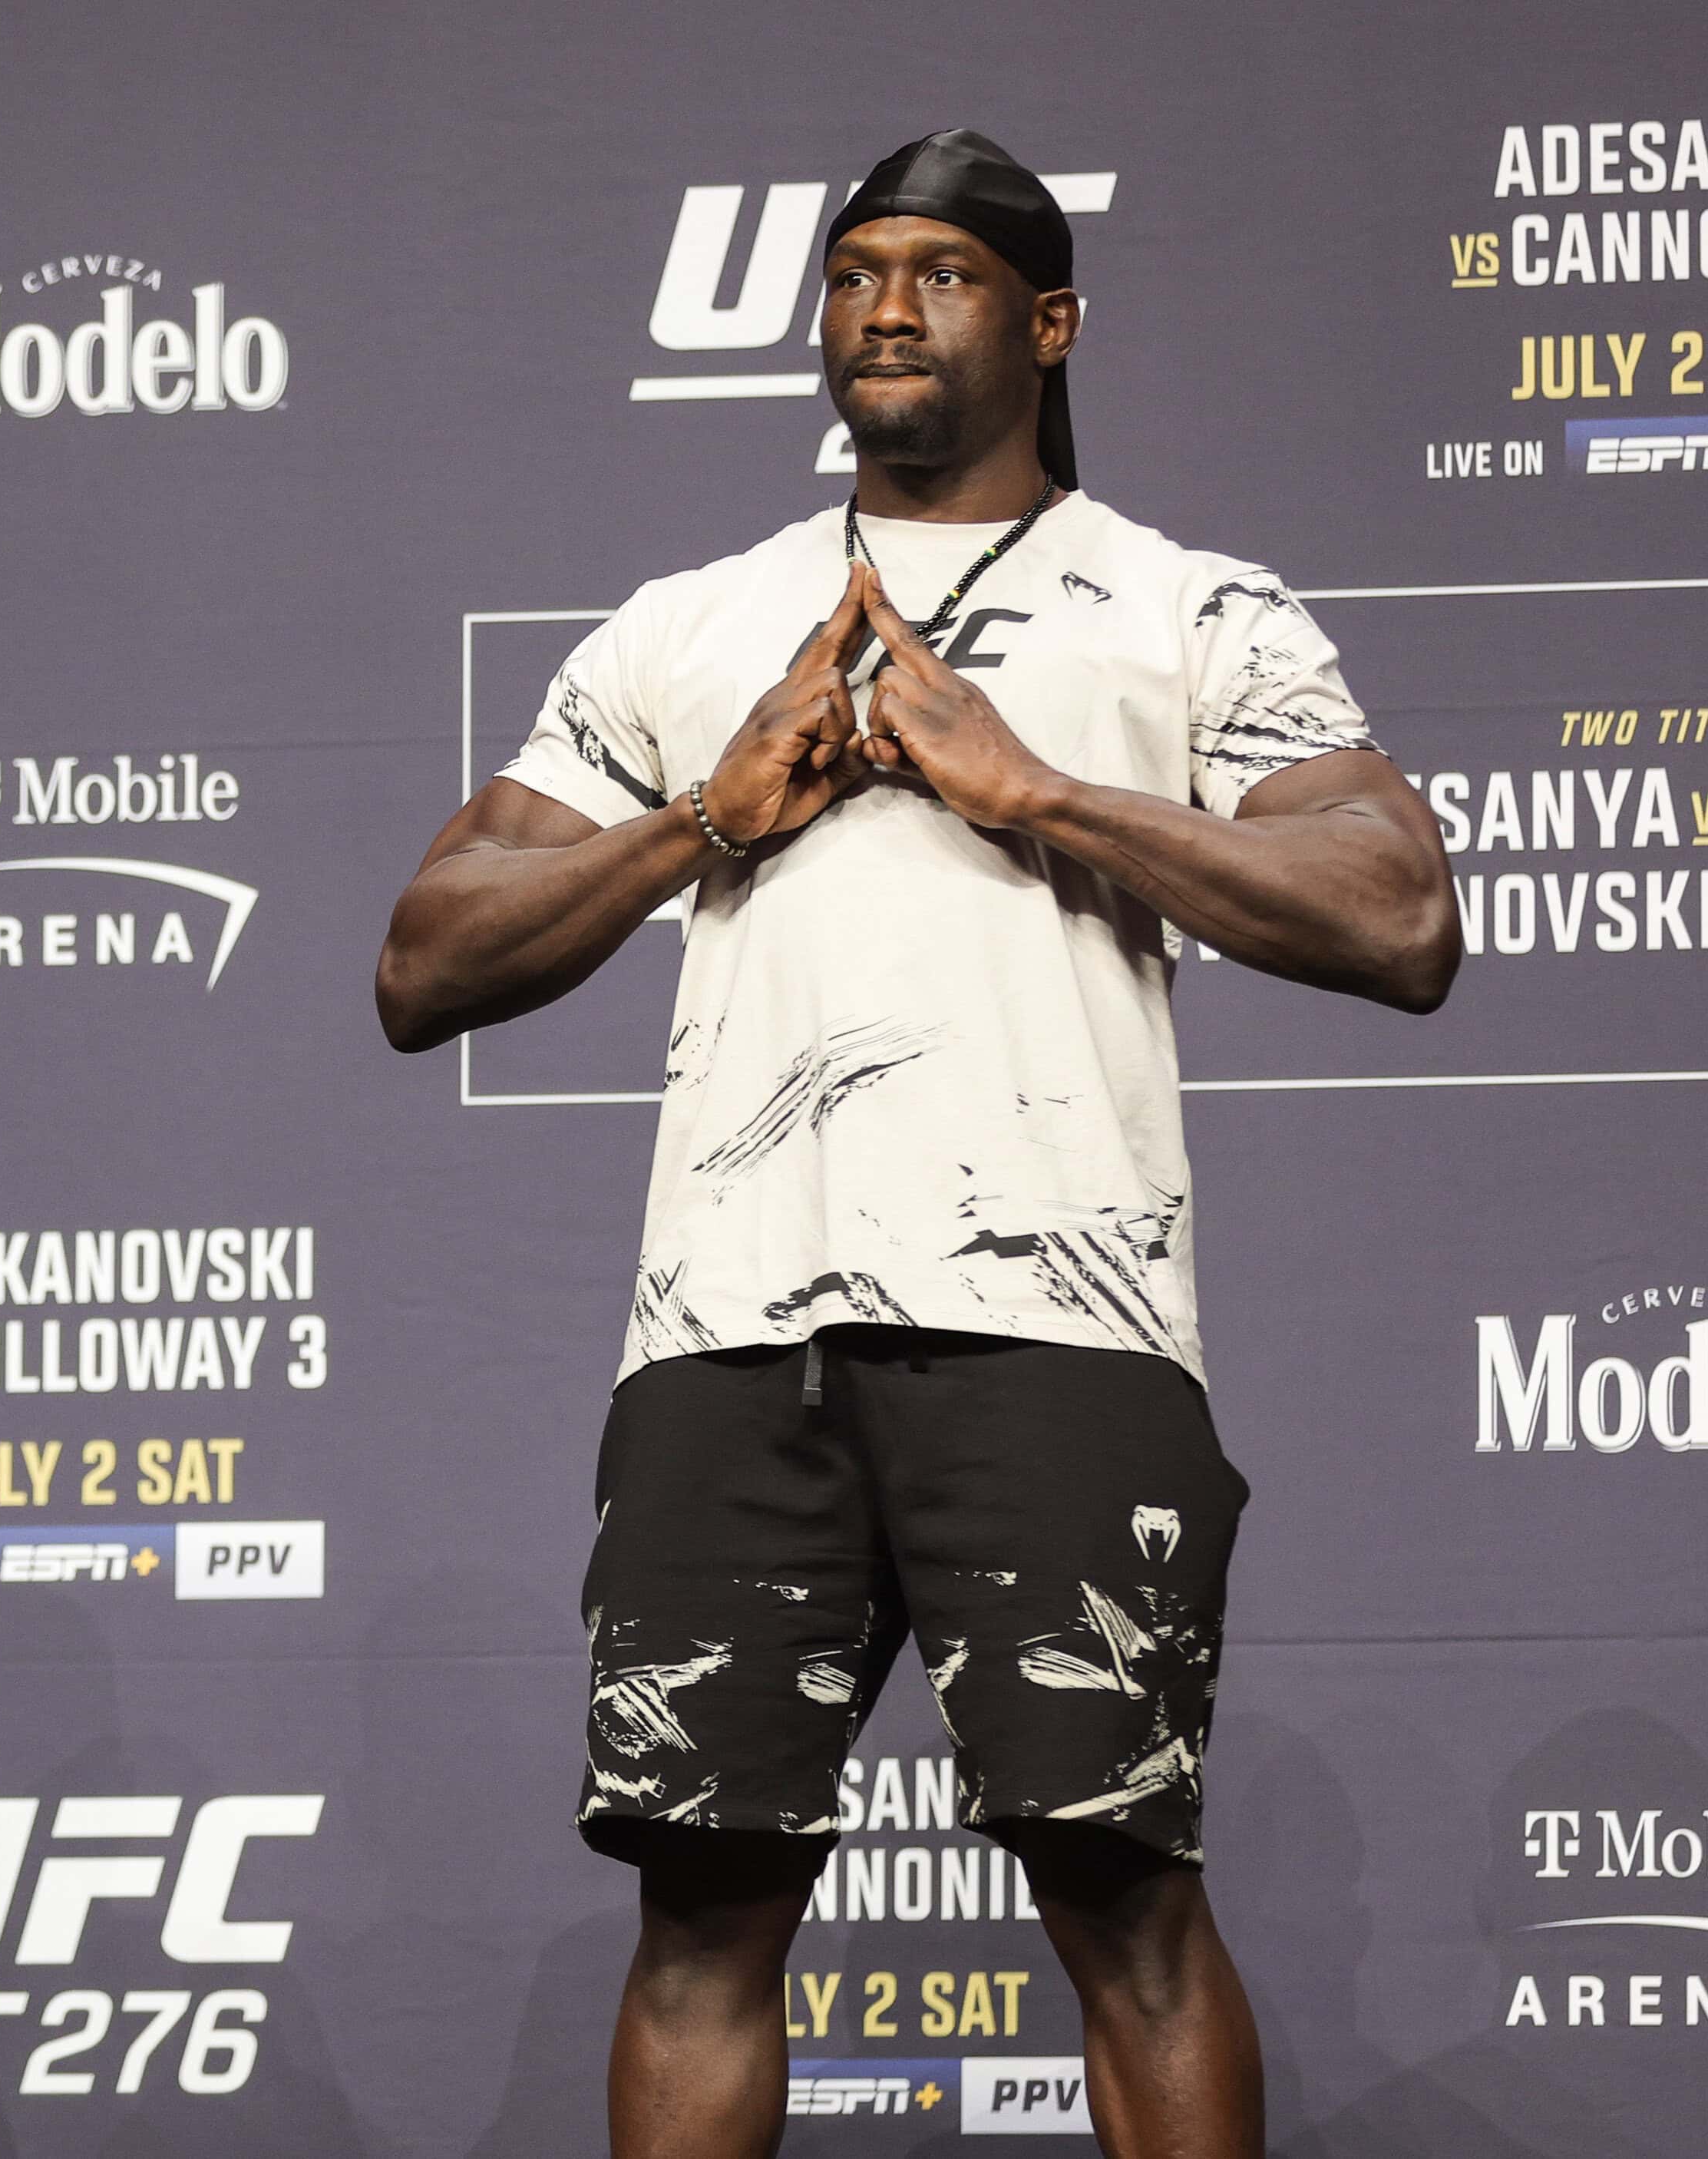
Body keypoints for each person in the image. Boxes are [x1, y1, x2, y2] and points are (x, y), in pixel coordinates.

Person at [374, 131, 1460, 2157]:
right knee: (698, 1916)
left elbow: (1399, 912)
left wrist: (1041, 789)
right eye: (859, 268)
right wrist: (704, 818)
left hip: (1060, 1332)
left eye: (945, 270)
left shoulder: (1180, 605)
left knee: (1126, 1904)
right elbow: (425, 956)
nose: (887, 301)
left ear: (1048, 322)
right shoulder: (696, 625)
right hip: (727, 1344)